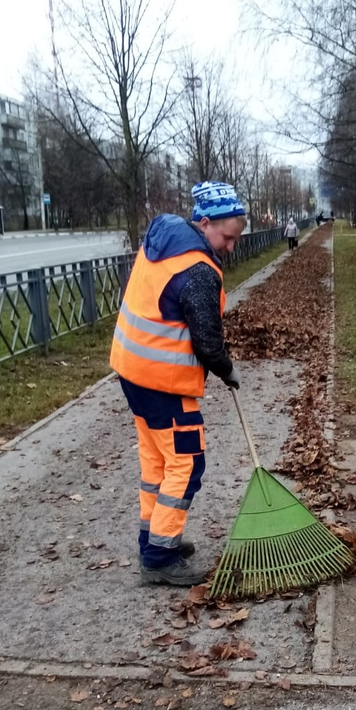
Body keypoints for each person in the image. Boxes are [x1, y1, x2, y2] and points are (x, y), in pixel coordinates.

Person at [109, 181, 246, 587]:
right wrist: (227, 370)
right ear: (204, 223)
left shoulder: (162, 245)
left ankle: (154, 540)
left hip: (133, 373)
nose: (231, 247)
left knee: (156, 464)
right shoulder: (198, 269)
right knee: (187, 463)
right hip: (164, 383)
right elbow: (207, 340)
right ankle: (160, 557)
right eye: (227, 237)